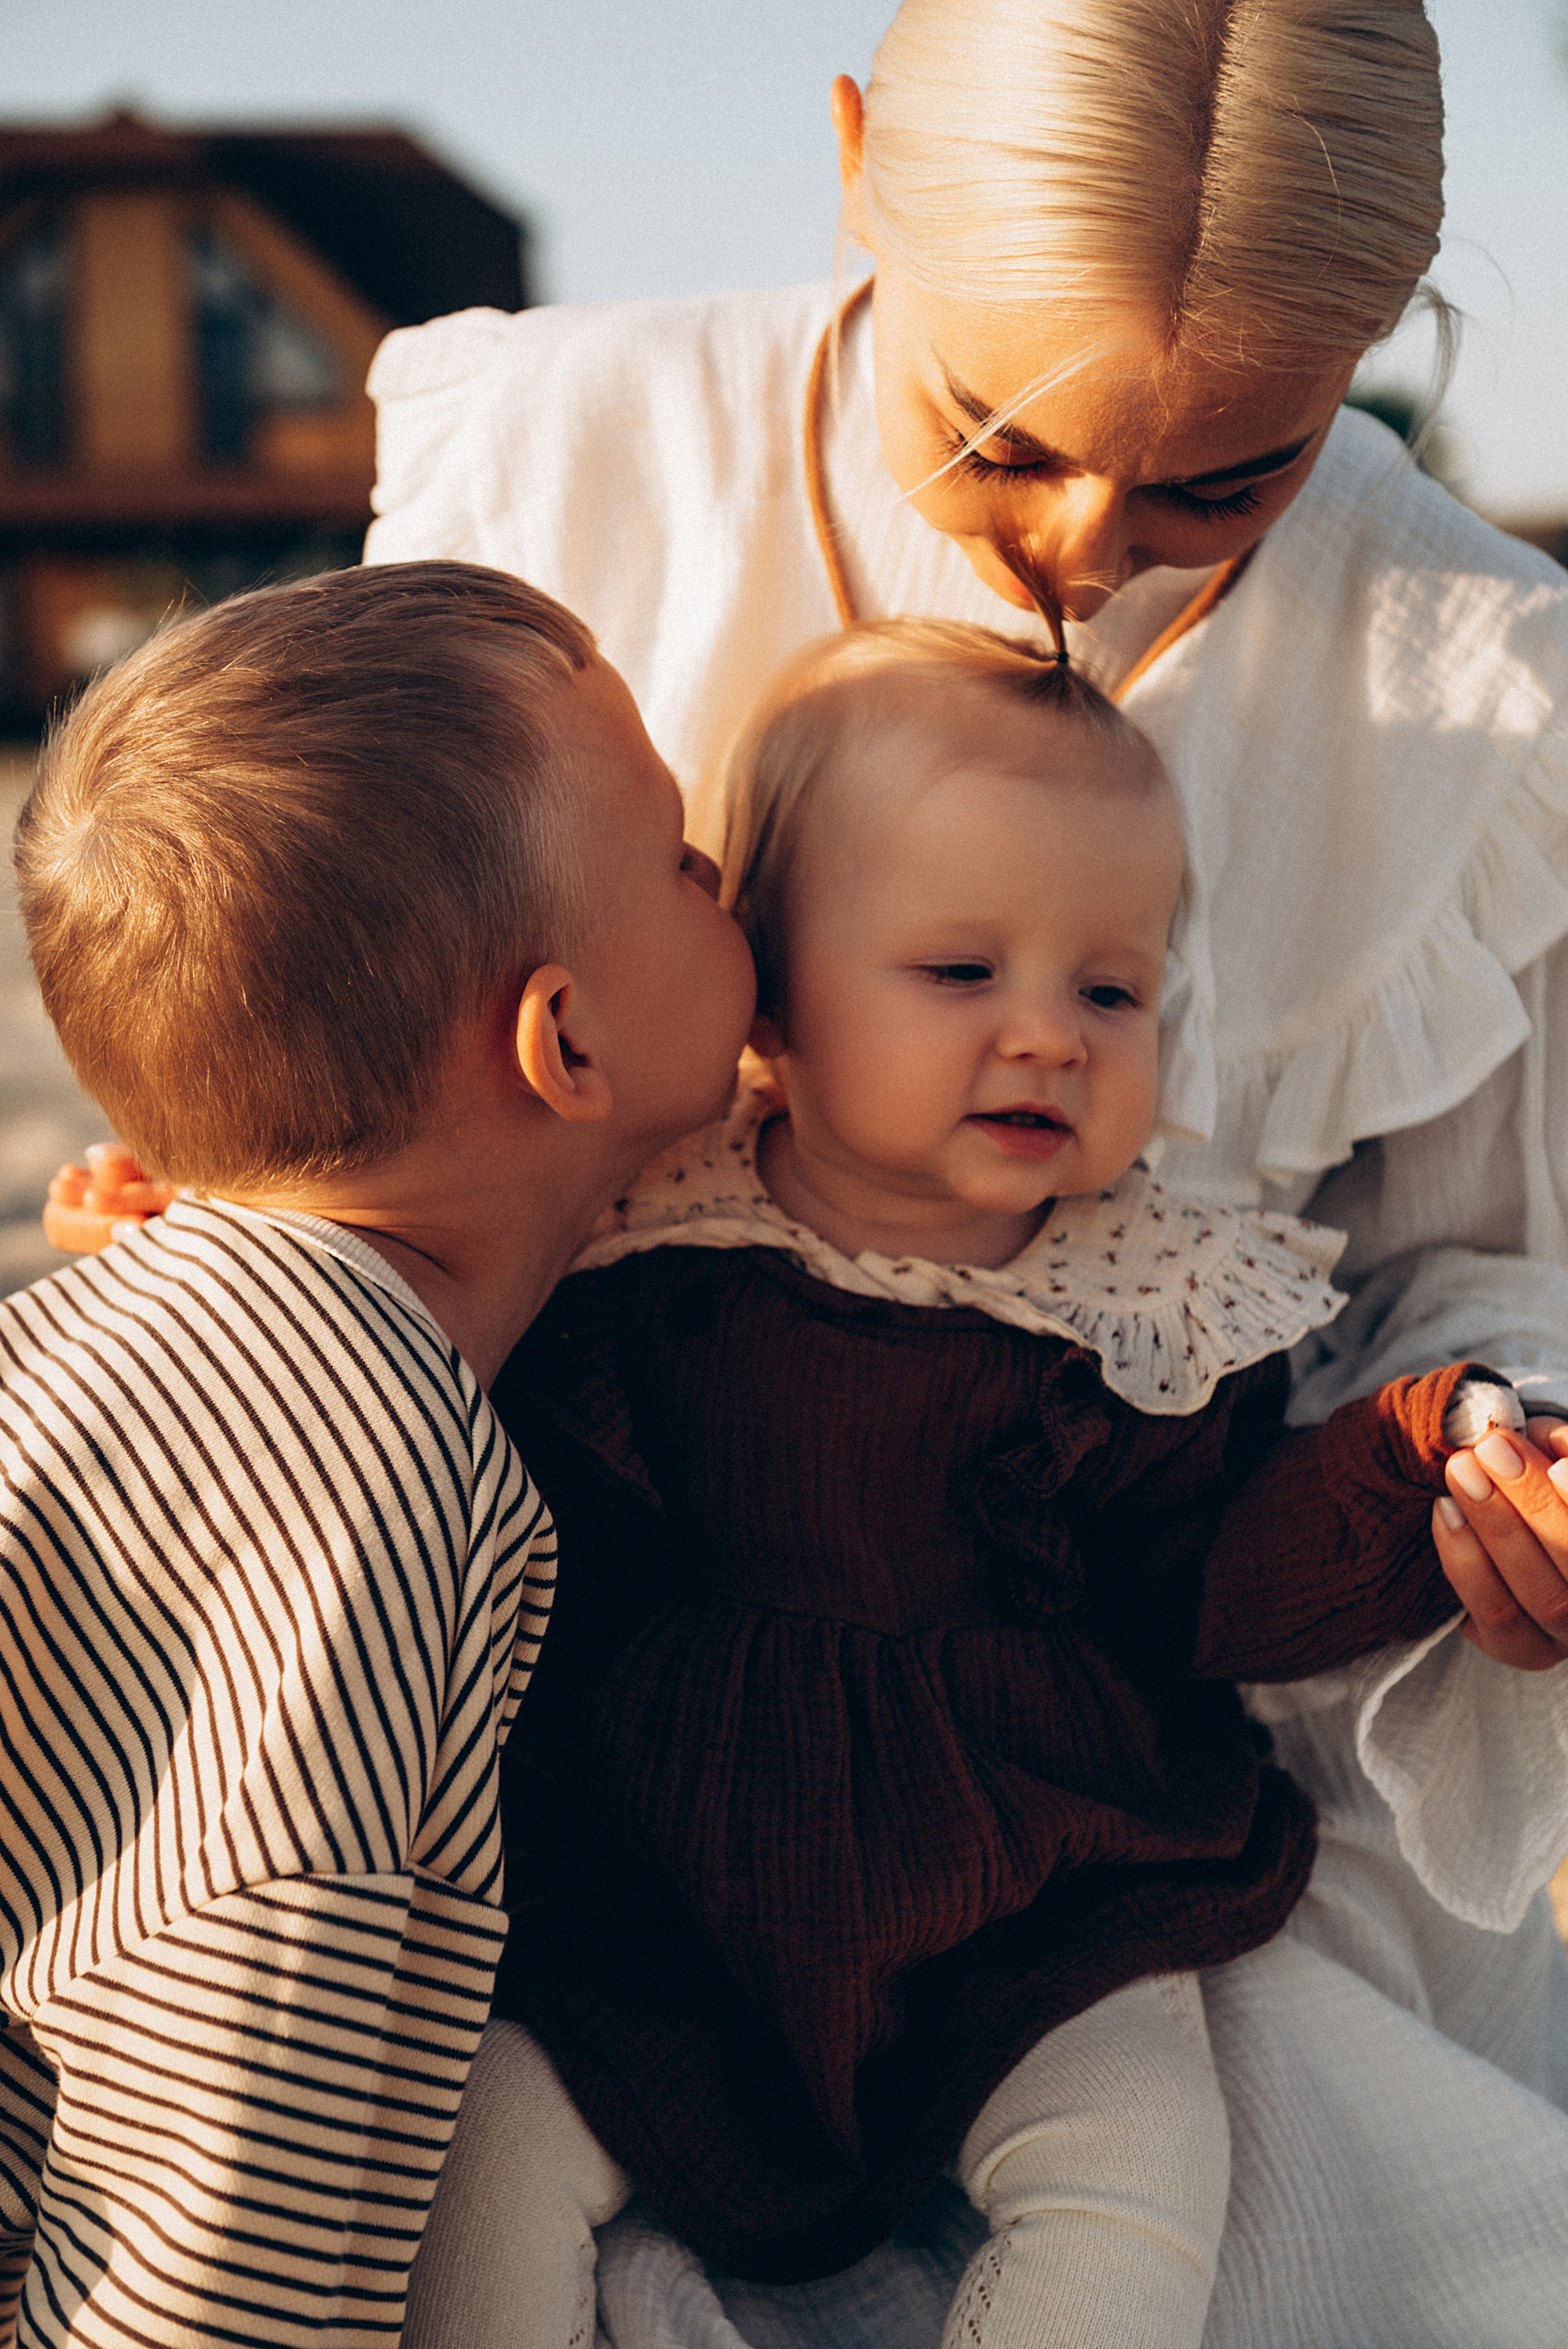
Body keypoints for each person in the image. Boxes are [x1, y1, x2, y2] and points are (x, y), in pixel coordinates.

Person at [401, 617, 1548, 2349]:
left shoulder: (1144, 1302)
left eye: (1112, 990)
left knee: (1141, 2149)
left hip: (1036, 1871)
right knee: (486, 2138)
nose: (1049, 1038)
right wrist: (229, 1212)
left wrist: (1410, 1458)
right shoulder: (641, 1222)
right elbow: (445, 1349)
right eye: (958, 972)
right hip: (660, 1858)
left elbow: (1211, 1583)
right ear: (771, 996)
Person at [0, 559, 755, 2347]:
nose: (723, 872)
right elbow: (242, 2038)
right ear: (565, 1041)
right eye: (676, 858)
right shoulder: (362, 1491)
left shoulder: (131, 1325)